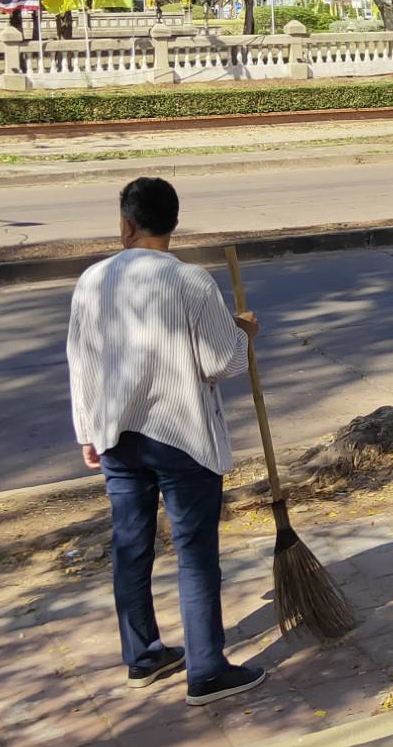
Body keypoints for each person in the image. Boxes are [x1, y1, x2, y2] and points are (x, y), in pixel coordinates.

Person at [67, 177, 267, 707]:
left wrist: (87, 431)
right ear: (173, 225)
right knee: (194, 553)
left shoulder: (92, 280)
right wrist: (241, 332)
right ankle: (205, 670)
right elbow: (219, 363)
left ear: (126, 224)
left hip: (118, 436)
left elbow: (80, 361)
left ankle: (144, 656)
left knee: (130, 545)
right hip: (181, 438)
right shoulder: (191, 282)